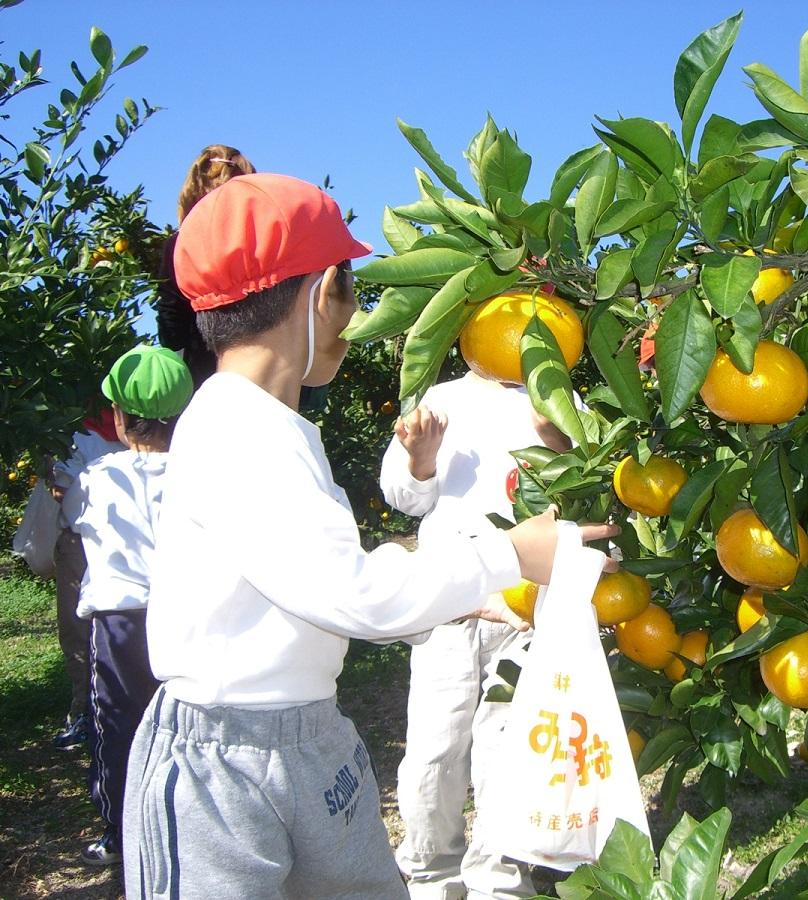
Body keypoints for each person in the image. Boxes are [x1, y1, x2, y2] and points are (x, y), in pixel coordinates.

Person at [121, 173, 617, 899]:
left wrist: (457, 589)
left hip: (311, 735)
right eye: (354, 293)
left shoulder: (273, 426)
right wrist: (509, 554)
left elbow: (327, 575)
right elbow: (351, 594)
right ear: (326, 292)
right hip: (221, 765)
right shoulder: (237, 429)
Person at [380, 374, 573, 900]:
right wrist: (422, 457)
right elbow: (404, 496)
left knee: (509, 747)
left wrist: (557, 440)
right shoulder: (442, 400)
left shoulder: (557, 394)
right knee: (433, 749)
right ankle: (430, 875)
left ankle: (501, 878)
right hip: (450, 605)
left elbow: (583, 488)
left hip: (524, 605)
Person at [62, 345, 193, 866]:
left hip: (118, 621)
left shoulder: (95, 478)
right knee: (185, 721)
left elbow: (74, 522)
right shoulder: (197, 473)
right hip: (185, 611)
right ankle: (185, 819)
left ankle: (119, 832)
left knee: (117, 721)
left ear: (117, 416)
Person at [49, 407, 124, 750]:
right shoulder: (153, 437)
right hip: (126, 542)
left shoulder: (77, 436)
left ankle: (83, 712)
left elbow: (61, 490)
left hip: (82, 542)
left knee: (79, 631)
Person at [156, 144, 255, 386]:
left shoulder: (181, 244)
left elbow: (171, 315)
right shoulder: (259, 240)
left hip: (202, 372)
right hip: (261, 367)